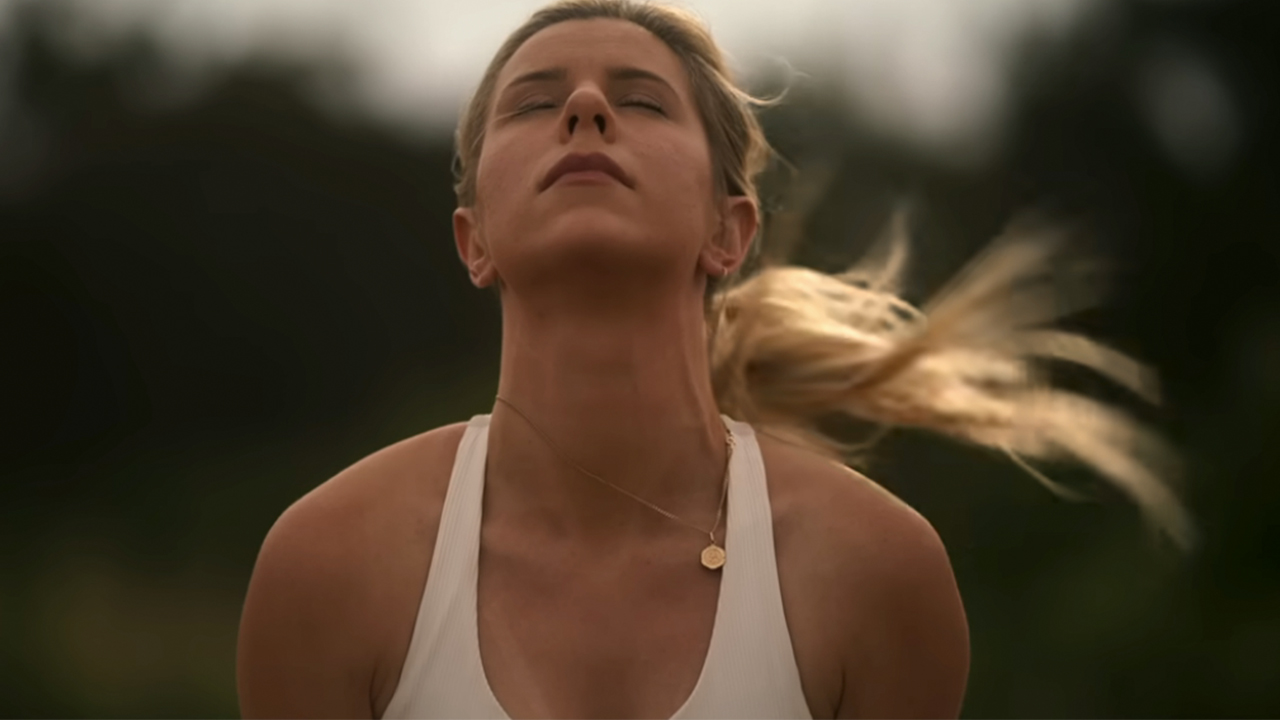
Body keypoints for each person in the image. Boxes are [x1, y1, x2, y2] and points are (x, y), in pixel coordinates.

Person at [235, 1, 1192, 718]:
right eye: (533, 103)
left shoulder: (872, 572)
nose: (583, 106)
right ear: (472, 240)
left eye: (641, 99)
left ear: (729, 232)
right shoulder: (331, 566)